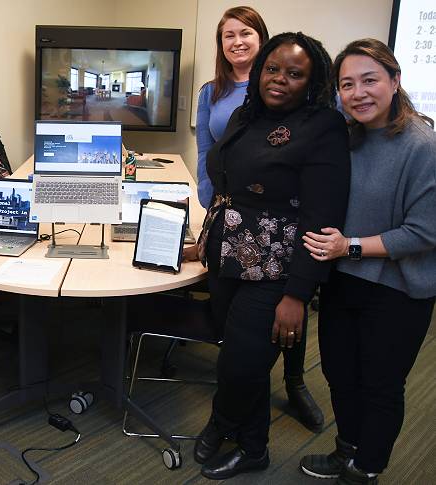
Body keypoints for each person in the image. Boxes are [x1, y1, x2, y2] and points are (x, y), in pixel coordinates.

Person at [186, 32, 351, 480]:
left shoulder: (323, 126)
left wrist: (298, 294)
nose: (280, 80)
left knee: (242, 361)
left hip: (278, 266)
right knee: (240, 356)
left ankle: (222, 420)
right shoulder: (245, 114)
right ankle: (252, 445)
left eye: (294, 74)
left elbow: (322, 218)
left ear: (312, 80)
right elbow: (224, 180)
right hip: (227, 256)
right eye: (273, 69)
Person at [299, 39, 436, 485]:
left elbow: (425, 232)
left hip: (398, 288)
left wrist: (349, 246)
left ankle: (368, 468)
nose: (358, 93)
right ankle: (348, 451)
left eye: (370, 80)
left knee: (379, 385)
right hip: (344, 280)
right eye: (347, 84)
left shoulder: (422, 145)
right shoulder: (347, 136)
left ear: (395, 81)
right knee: (340, 374)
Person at [195, 6, 324, 433]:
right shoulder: (219, 96)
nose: (237, 42)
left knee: (268, 328)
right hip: (224, 219)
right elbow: (205, 149)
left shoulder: (301, 105)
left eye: (246, 33)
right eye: (228, 35)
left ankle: (293, 382)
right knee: (239, 342)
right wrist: (209, 203)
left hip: (273, 240)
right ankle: (243, 419)